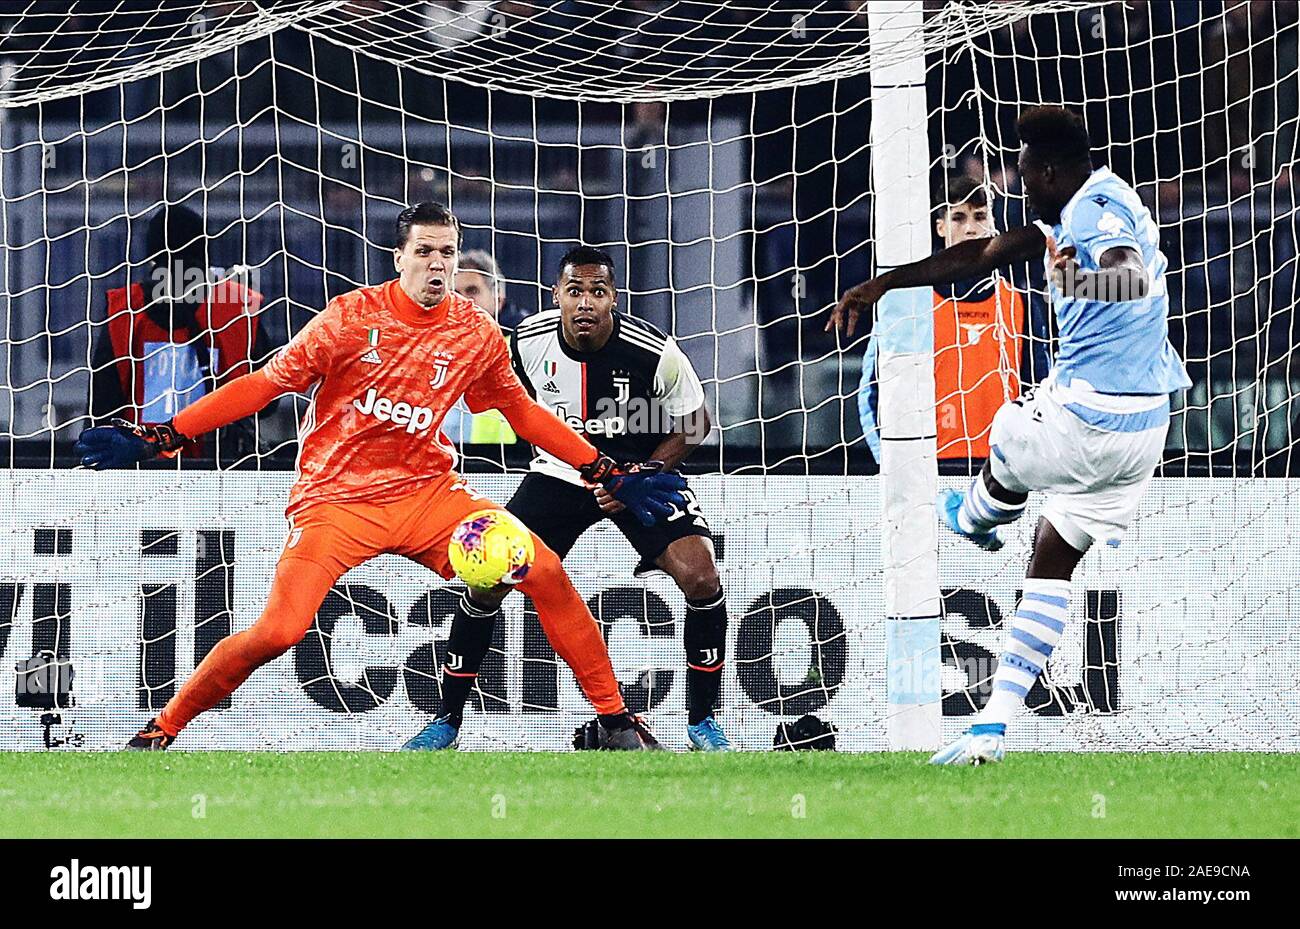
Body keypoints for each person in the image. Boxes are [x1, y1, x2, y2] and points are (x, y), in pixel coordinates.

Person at [76, 202, 687, 751]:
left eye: (447, 251)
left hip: (428, 494)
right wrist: (168, 434)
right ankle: (163, 728)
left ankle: (616, 722)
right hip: (335, 498)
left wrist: (600, 467)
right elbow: (268, 383)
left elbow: (520, 411)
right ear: (399, 258)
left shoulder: (474, 331)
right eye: (424, 251)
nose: (437, 264)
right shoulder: (349, 317)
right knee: (280, 629)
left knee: (544, 570)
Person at [828, 106, 1191, 764]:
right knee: (1050, 566)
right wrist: (883, 283)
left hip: (1091, 416)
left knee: (1006, 419)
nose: (1017, 181)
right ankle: (992, 726)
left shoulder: (1096, 213)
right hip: (1143, 430)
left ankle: (977, 514)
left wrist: (1080, 279)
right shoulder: (1079, 203)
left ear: (1049, 171)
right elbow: (981, 253)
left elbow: (1128, 269)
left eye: (1022, 171)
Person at [403, 245, 731, 752]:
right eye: (574, 291)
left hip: (635, 477)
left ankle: (702, 723)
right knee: (487, 579)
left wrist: (648, 471)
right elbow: (485, 392)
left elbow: (696, 423)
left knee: (701, 573)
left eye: (597, 292)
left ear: (613, 299)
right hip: (559, 473)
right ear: (556, 295)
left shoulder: (654, 352)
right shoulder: (527, 342)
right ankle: (445, 722)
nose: (585, 303)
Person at [858, 176, 1033, 462]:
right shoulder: (913, 303)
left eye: (979, 217)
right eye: (958, 218)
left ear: (992, 224)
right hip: (931, 466)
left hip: (1003, 468)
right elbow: (873, 392)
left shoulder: (1018, 302)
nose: (970, 229)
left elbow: (1038, 387)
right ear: (940, 228)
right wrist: (888, 464)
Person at [89, 204, 272, 465]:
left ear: (152, 256)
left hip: (139, 469)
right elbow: (267, 403)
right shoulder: (239, 306)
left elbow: (102, 407)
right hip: (220, 471)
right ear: (204, 251)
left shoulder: (124, 311)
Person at [440, 249, 525, 446]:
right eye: (455, 293)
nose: (463, 301)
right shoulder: (434, 347)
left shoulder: (521, 345)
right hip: (446, 463)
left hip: (504, 464)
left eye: (472, 291)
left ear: (498, 296)